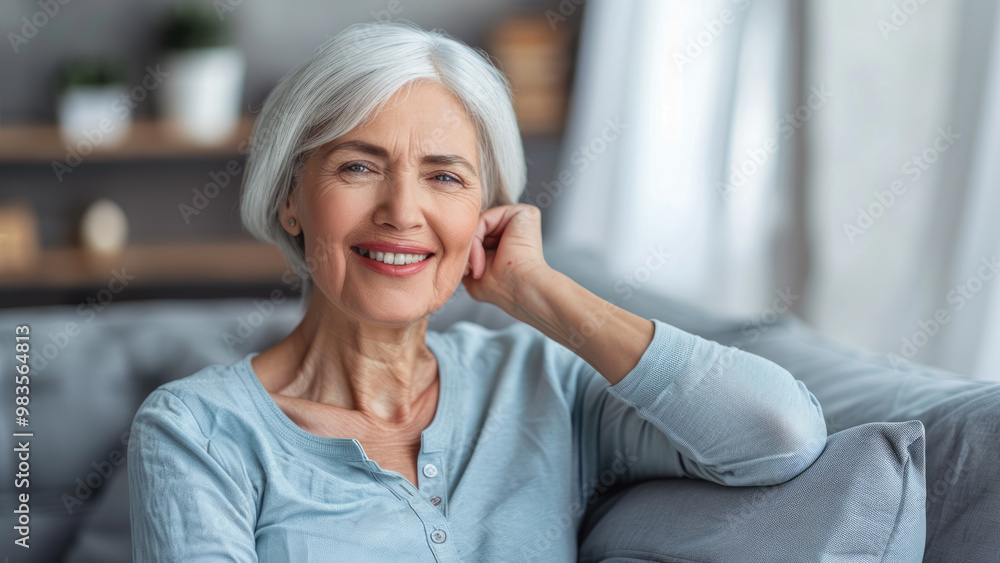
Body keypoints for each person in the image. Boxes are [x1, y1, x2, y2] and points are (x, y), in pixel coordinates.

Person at [127, 22, 827, 562]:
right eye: (359, 165)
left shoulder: (541, 382)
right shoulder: (198, 431)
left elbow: (778, 435)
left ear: (485, 214)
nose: (402, 211)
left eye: (445, 177)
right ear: (290, 199)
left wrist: (540, 290)